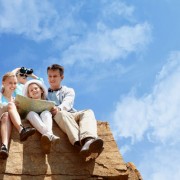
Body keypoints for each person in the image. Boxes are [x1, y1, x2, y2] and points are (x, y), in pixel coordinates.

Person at [47, 64, 104, 159]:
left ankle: (89, 140)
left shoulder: (69, 90)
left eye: (55, 76)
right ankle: (80, 144)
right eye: (50, 76)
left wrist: (59, 108)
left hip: (72, 113)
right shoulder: (44, 92)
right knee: (61, 113)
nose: (52, 79)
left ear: (62, 77)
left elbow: (67, 103)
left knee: (88, 111)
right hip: (59, 116)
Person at [0, 72, 36, 160]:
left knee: (6, 115)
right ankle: (21, 130)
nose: (13, 85)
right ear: (3, 83)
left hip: (4, 117)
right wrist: (10, 105)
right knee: (10, 106)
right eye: (10, 83)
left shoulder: (15, 99)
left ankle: (4, 146)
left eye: (15, 83)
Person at [22, 79, 60, 154]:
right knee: (31, 113)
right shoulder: (28, 104)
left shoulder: (48, 102)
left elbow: (53, 110)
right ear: (29, 94)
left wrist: (54, 108)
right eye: (31, 90)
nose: (34, 91)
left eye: (36, 88)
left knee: (46, 113)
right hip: (32, 116)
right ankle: (51, 135)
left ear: (41, 90)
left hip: (45, 115)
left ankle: (47, 136)